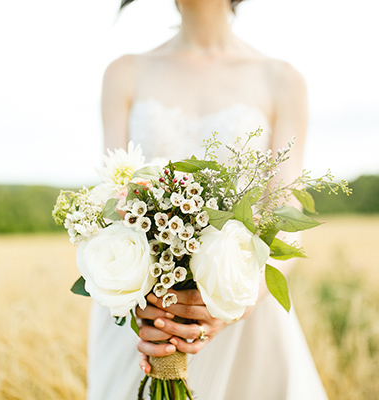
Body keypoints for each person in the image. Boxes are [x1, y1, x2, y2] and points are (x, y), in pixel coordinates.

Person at [90, 0, 328, 398]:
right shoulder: (124, 73)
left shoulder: (283, 80)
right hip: (144, 314)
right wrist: (144, 305)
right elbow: (111, 197)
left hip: (245, 312)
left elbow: (287, 215)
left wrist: (235, 304)